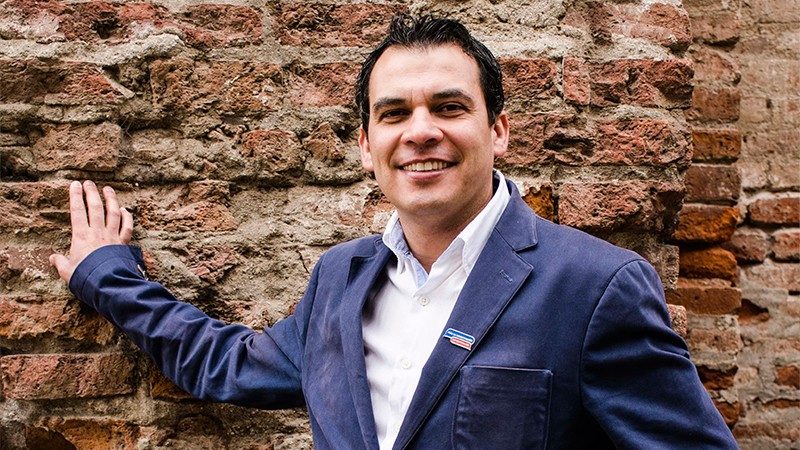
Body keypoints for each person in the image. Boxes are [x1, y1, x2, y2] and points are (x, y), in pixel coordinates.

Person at [50, 15, 738, 450]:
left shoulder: (594, 286)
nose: (421, 132)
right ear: (366, 144)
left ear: (498, 130)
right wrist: (107, 276)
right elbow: (226, 364)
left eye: (449, 106)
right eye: (394, 113)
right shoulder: (339, 280)